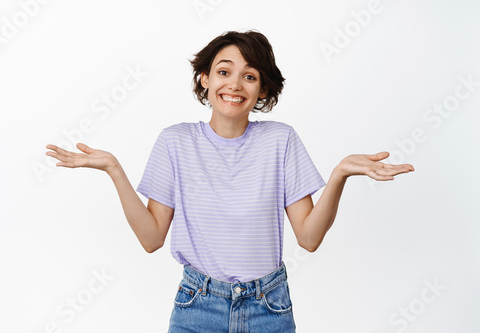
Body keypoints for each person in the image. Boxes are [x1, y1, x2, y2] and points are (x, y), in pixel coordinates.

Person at [45, 30, 414, 332]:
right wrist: (114, 170)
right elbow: (152, 238)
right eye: (224, 71)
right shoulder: (176, 141)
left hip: (268, 308)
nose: (235, 84)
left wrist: (339, 176)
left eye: (249, 76)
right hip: (197, 307)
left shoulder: (280, 140)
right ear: (205, 79)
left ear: (263, 90)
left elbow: (309, 238)